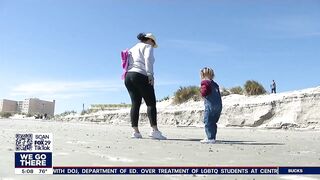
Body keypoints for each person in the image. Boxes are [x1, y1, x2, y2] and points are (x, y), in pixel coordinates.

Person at [124, 32, 166, 140]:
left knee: (135, 104)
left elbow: (127, 63)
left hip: (128, 76)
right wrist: (150, 75)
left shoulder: (132, 48)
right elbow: (148, 59)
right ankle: (155, 131)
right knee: (151, 103)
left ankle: (135, 132)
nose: (153, 46)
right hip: (141, 75)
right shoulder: (148, 46)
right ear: (150, 40)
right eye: (153, 43)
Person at [200, 67, 222, 144]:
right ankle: (212, 137)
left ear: (202, 75)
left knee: (208, 121)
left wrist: (202, 94)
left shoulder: (205, 82)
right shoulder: (215, 84)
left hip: (210, 105)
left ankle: (210, 138)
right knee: (213, 122)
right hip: (218, 105)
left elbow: (204, 92)